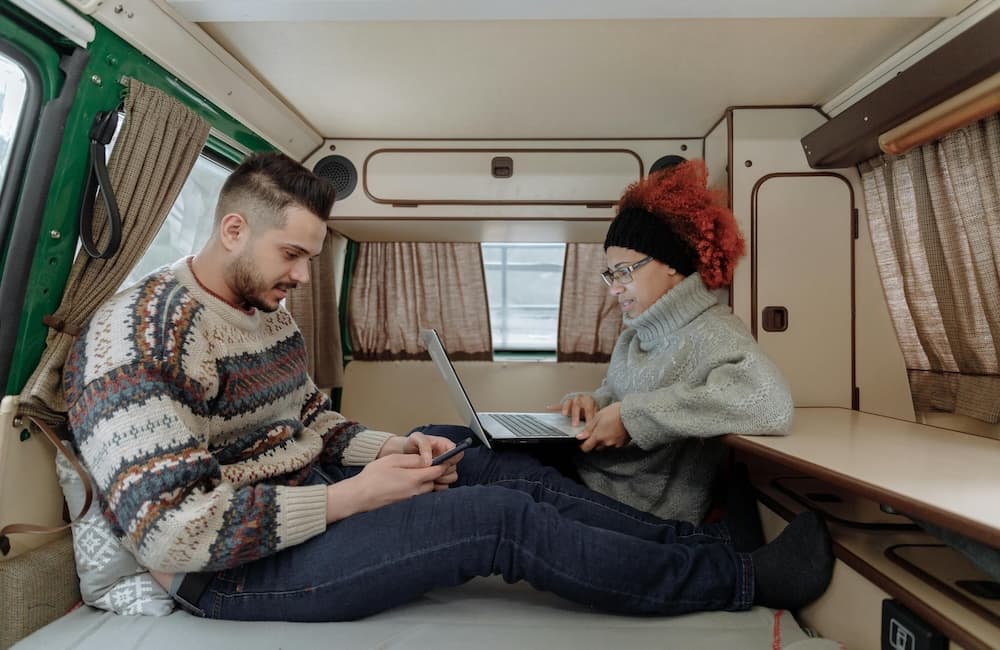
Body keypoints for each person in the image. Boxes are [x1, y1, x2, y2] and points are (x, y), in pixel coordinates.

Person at [63, 152, 832, 623]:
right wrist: (355, 497)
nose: (302, 278)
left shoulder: (267, 313)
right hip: (232, 569)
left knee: (476, 457)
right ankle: (737, 578)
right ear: (233, 230)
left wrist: (396, 450)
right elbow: (176, 532)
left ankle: (689, 544)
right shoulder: (132, 341)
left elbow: (313, 426)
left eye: (310, 259)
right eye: (292, 255)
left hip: (301, 495)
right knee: (499, 521)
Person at [554, 159, 795, 524]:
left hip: (640, 506)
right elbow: (620, 397)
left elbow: (771, 405)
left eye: (624, 272)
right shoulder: (635, 333)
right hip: (596, 477)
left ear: (668, 262)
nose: (615, 287)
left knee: (497, 476)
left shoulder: (713, 331)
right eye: (611, 274)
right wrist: (592, 403)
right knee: (479, 455)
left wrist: (634, 418)